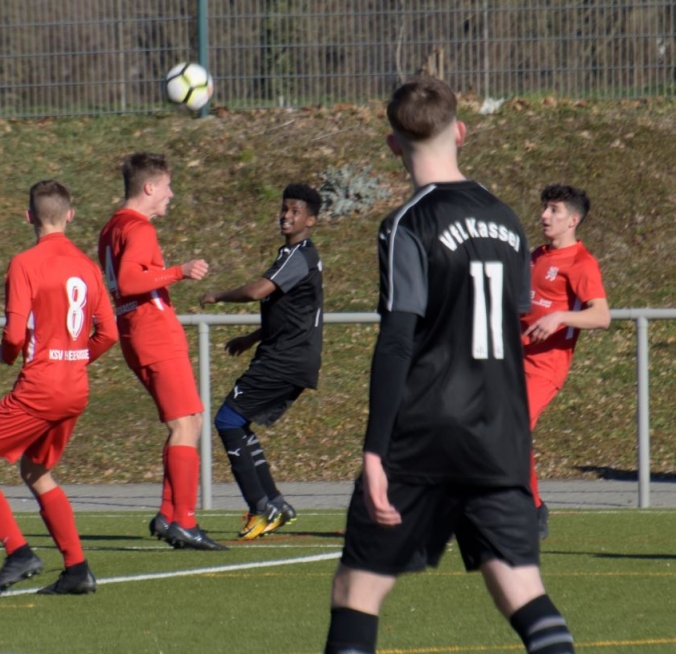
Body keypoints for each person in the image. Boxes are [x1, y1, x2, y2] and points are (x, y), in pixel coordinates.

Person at [324, 78, 575, 653]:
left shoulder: (408, 223)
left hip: (426, 432)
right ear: (460, 132)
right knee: (521, 589)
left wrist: (375, 451)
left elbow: (397, 342)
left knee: (357, 590)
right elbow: (514, 314)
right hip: (499, 435)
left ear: (393, 145)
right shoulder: (507, 221)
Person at [0, 180, 118, 596]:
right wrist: (75, 360)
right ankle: (77, 569)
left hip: (41, 388)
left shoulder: (25, 263)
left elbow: (13, 334)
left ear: (28, 217)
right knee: (36, 470)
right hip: (75, 388)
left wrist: (7, 355)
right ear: (70, 215)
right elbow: (109, 333)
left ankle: (19, 552)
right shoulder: (88, 266)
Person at [97, 152, 225, 551]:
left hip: (138, 332)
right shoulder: (138, 227)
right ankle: (184, 521)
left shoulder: (112, 227)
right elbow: (130, 279)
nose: (171, 194)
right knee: (185, 425)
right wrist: (179, 271)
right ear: (149, 187)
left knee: (192, 421)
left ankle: (169, 514)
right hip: (152, 333)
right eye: (167, 186)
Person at [199, 183, 323, 540]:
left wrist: (217, 295)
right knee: (238, 423)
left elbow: (257, 291)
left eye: (295, 211)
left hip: (286, 359)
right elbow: (290, 312)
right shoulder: (294, 256)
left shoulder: (299, 256)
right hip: (288, 356)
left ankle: (260, 507)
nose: (286, 215)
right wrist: (251, 339)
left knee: (227, 420)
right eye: (284, 209)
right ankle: (275, 504)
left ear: (310, 220)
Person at [522, 184, 610, 539]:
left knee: (512, 429)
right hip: (511, 358)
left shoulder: (581, 263)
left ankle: (531, 509)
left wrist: (559, 317)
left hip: (545, 366)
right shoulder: (536, 255)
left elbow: (601, 316)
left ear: (573, 220)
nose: (544, 215)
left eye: (554, 210)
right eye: (545, 208)